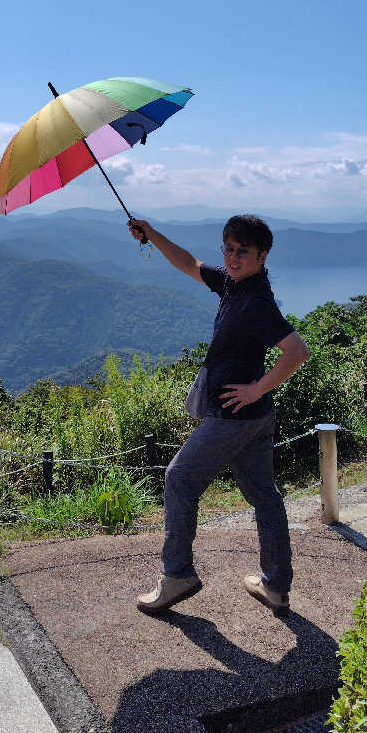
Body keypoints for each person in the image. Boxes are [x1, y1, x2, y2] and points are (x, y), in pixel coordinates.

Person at [127, 213, 310, 616]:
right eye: (228, 248)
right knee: (264, 496)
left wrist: (254, 388)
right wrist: (151, 233)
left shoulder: (257, 302)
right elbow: (189, 264)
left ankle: (177, 575)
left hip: (235, 414)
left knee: (179, 478)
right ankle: (275, 586)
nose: (232, 257)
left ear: (263, 255)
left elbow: (297, 352)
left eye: (242, 251)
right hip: (255, 416)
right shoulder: (234, 285)